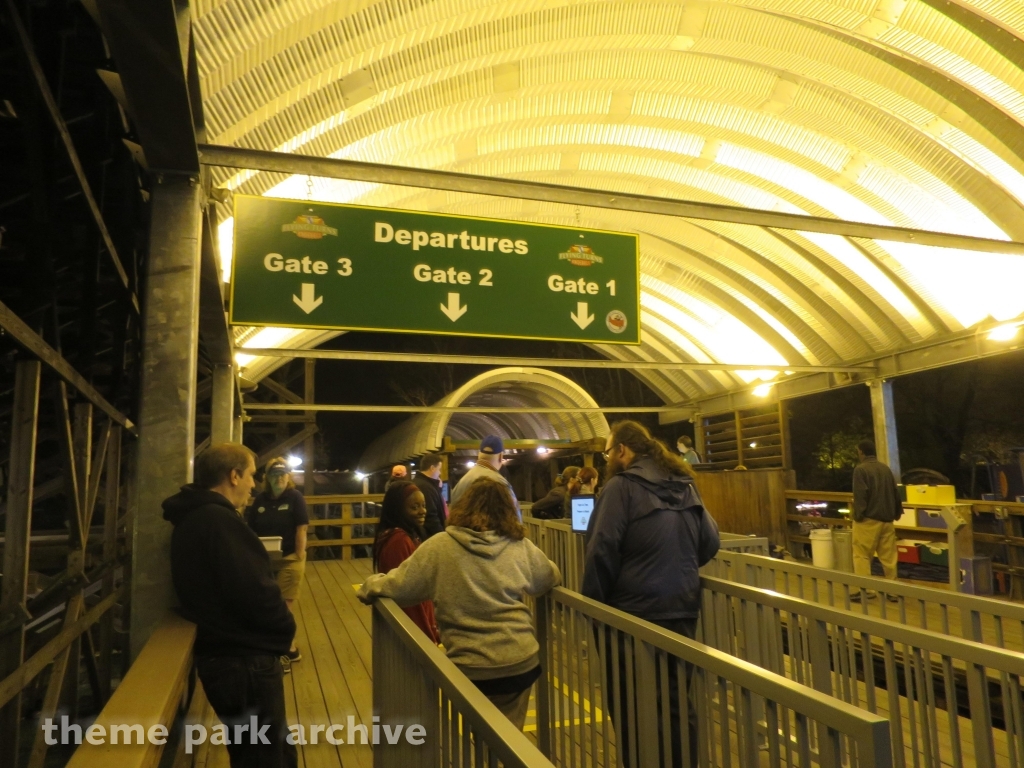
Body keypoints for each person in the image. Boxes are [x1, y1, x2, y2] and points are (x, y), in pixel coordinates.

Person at [358, 478, 560, 730]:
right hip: (520, 662)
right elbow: (549, 577)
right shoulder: (519, 546)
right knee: (510, 739)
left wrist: (370, 586)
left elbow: (399, 586)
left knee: (475, 739)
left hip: (470, 669)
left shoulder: (440, 546)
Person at [582, 420, 720, 768]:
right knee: (676, 704)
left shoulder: (621, 487)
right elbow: (710, 542)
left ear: (622, 451)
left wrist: (593, 609)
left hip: (631, 616)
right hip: (682, 609)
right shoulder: (685, 485)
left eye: (608, 452)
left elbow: (602, 549)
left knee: (630, 704)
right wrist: (680, 569)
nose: (608, 459)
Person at [162, 443, 297, 768]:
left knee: (260, 751)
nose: (254, 484)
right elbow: (255, 592)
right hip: (244, 660)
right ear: (233, 476)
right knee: (266, 757)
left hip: (226, 658)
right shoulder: (218, 522)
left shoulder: (194, 518)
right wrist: (286, 628)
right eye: (251, 475)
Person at [247, 457, 308, 664]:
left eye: (282, 474)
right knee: (267, 603)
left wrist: (299, 555)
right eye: (274, 474)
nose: (278, 478)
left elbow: (302, 527)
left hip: (289, 559)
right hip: (265, 560)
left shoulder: (295, 497)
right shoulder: (260, 500)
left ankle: (288, 647)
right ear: (267, 478)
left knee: (284, 604)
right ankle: (273, 642)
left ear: (288, 476)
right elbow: (251, 528)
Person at [372, 481, 440, 643]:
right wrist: (426, 637)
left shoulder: (401, 535)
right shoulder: (399, 541)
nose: (422, 511)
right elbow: (407, 591)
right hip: (413, 627)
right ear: (398, 510)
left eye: (423, 505)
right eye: (414, 507)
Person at [851, 439, 901, 601]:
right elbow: (895, 492)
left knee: (862, 555)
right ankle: (892, 590)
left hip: (868, 520)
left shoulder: (861, 470)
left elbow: (860, 496)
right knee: (889, 557)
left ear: (861, 452)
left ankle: (866, 590)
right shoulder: (885, 469)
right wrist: (897, 513)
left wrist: (858, 515)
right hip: (887, 520)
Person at [449, 435, 519, 514]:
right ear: (500, 456)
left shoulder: (462, 482)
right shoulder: (500, 483)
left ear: (479, 455)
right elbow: (514, 517)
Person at [412, 453, 447, 537]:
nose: (440, 473)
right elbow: (431, 516)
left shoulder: (422, 483)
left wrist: (438, 488)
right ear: (432, 468)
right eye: (439, 469)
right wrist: (441, 536)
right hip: (428, 536)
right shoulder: (425, 487)